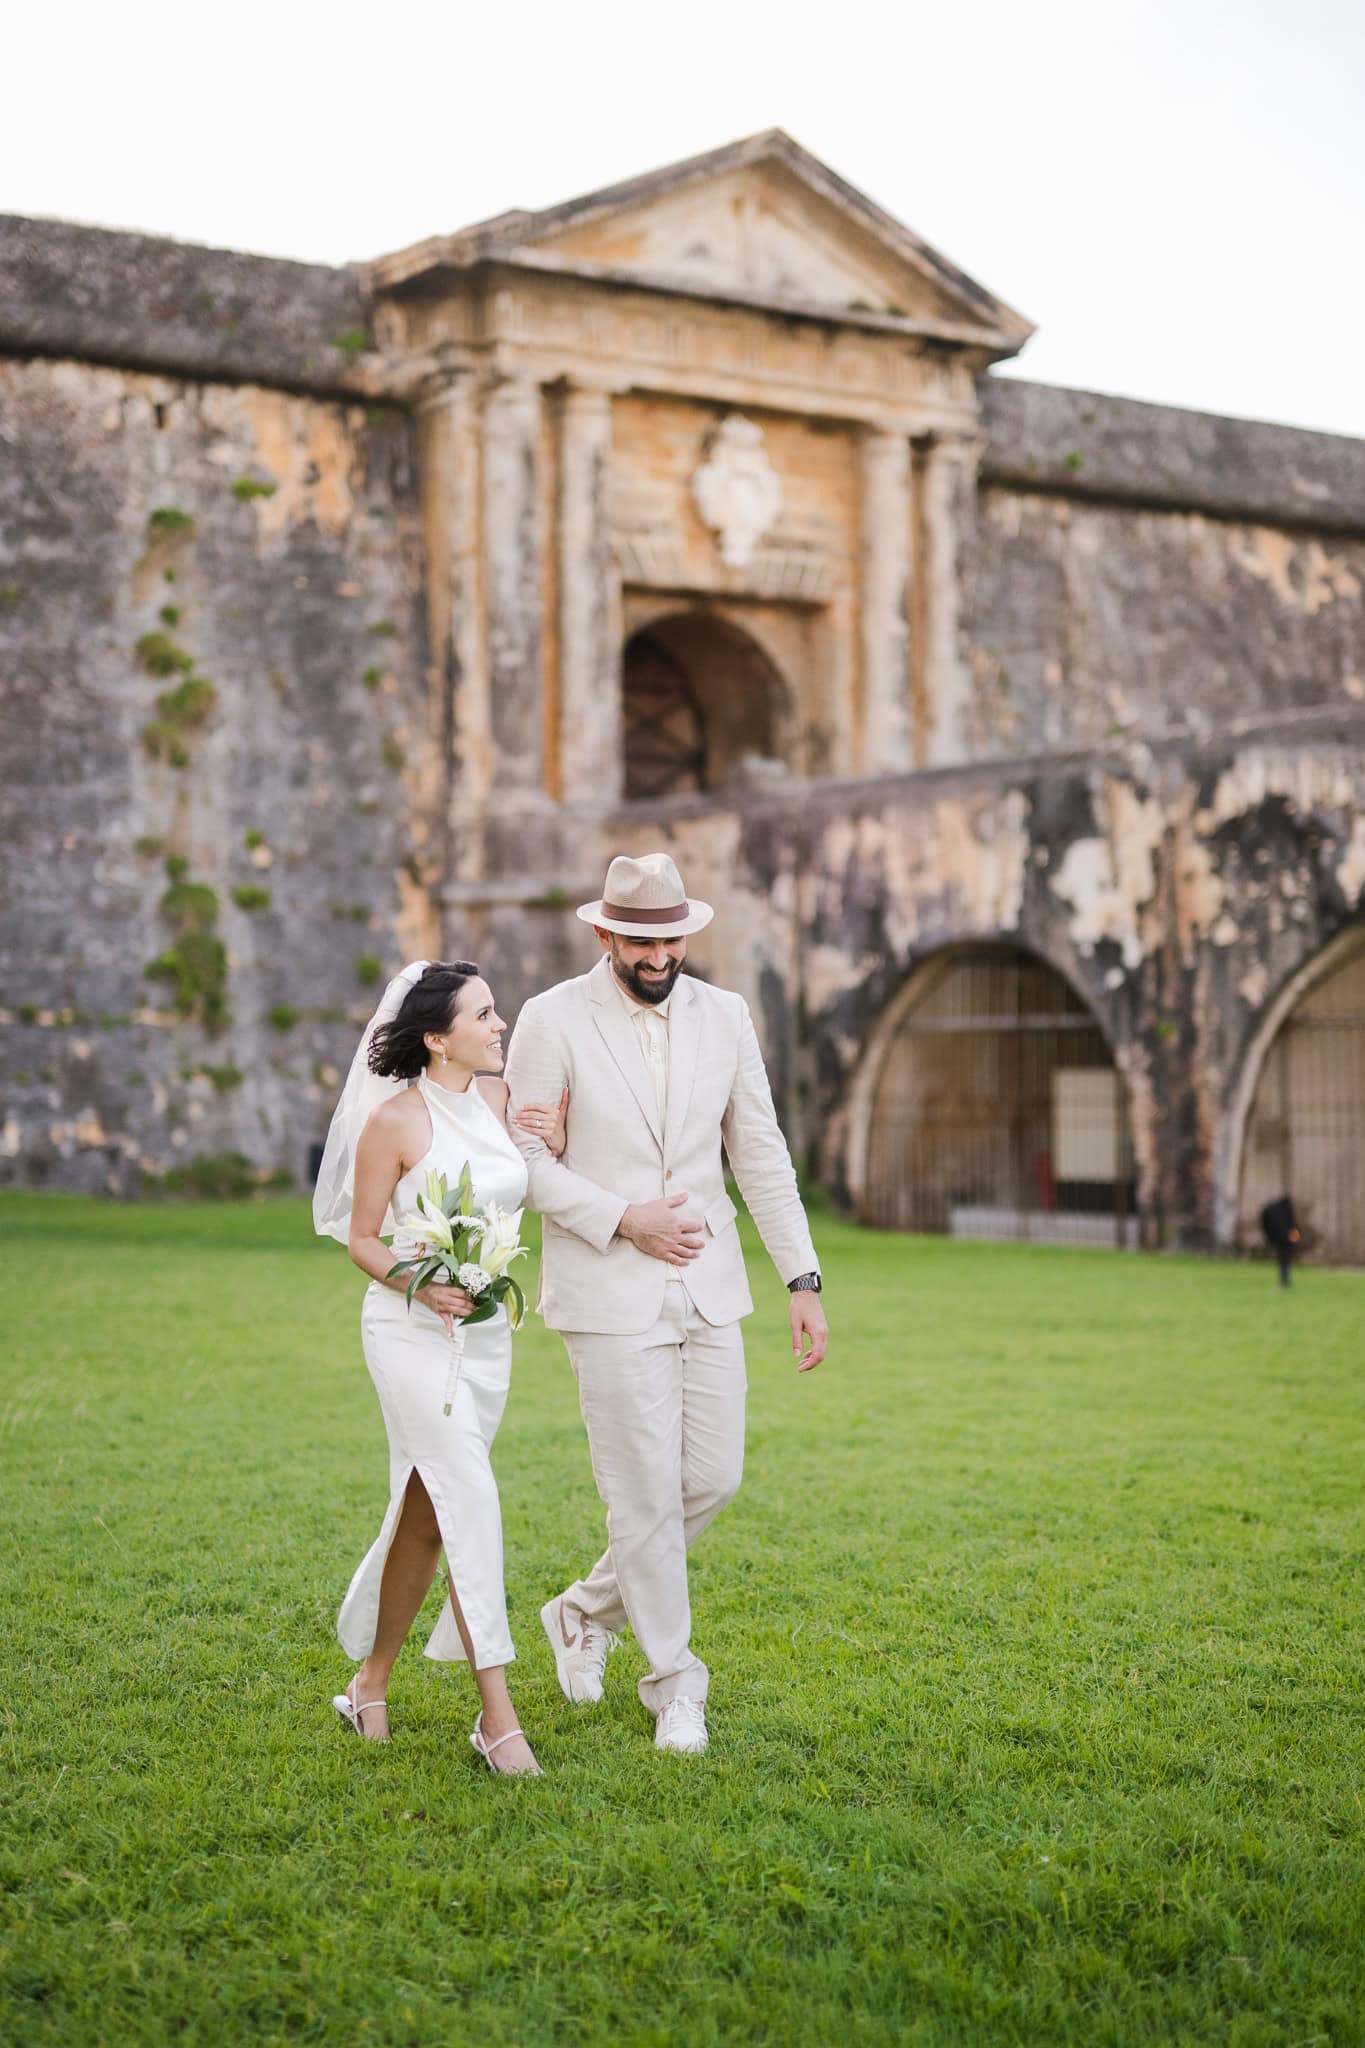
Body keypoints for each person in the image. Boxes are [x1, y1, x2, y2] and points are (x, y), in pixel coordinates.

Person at [505, 853, 828, 1756]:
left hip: (711, 1283)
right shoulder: (549, 1020)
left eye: (671, 936)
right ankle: (675, 1684)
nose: (659, 953)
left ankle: (579, 1611)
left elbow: (758, 1152)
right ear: (606, 933)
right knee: (642, 1494)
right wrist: (623, 1220)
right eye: (641, 938)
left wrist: (799, 1279)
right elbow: (523, 1162)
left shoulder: (725, 1015)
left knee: (710, 1479)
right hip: (607, 1292)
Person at [312, 958, 566, 1776]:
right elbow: (361, 1239)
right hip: (409, 1331)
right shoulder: (393, 1121)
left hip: (486, 1336)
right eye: (485, 1014)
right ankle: (498, 1716)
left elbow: (526, 1170)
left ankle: (369, 1684)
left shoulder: (494, 1099)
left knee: (428, 1511)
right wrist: (421, 1284)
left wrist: (547, 1144)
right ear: (436, 1038)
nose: (500, 1025)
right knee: (470, 1492)